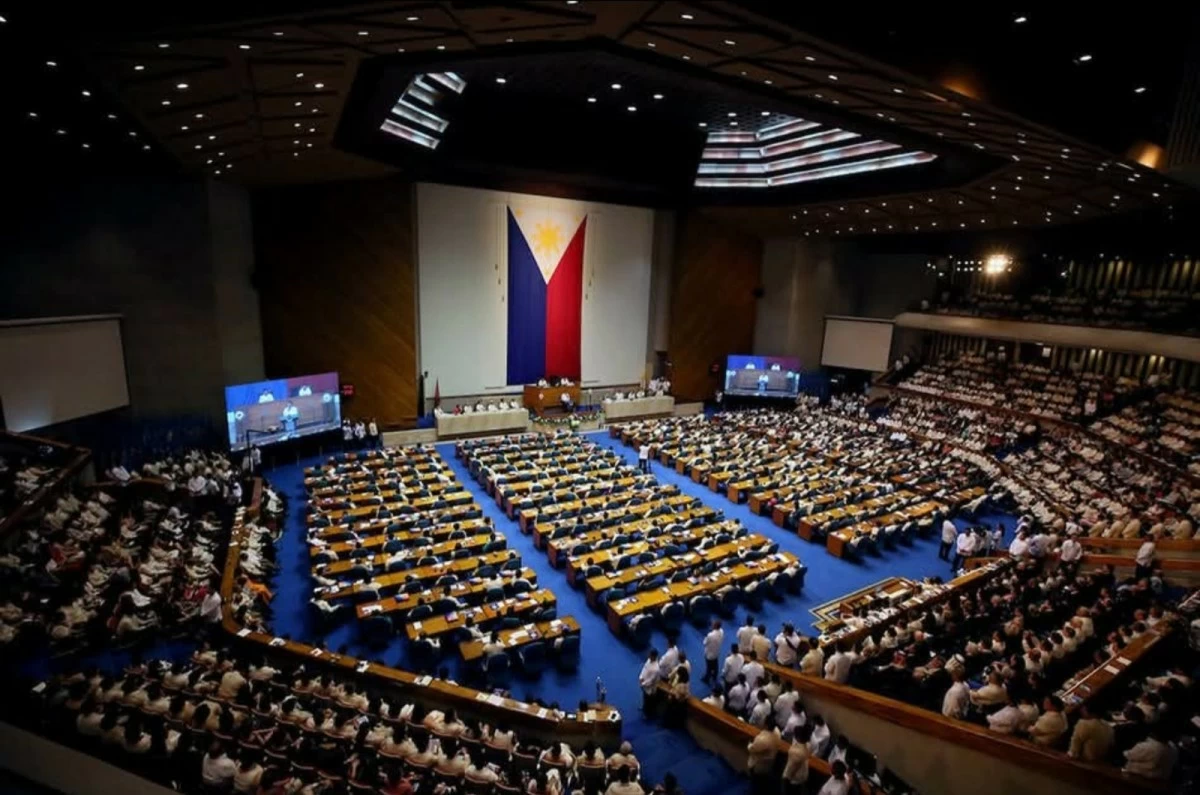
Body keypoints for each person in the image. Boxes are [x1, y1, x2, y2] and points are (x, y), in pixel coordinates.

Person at [639, 650, 661, 714]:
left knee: (649, 700)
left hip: (650, 688)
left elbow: (651, 681)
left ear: (654, 657)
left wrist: (643, 684)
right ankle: (644, 708)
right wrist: (641, 677)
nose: (649, 657)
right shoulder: (649, 660)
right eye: (649, 655)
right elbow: (644, 668)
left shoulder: (656, 669)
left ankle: (648, 713)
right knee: (644, 697)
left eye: (651, 656)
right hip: (644, 683)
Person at [703, 619, 724, 684]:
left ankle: (707, 679)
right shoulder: (721, 631)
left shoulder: (710, 635)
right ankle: (714, 676)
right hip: (717, 651)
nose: (712, 624)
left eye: (713, 624)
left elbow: (705, 643)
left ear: (715, 626)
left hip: (709, 653)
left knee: (709, 667)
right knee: (715, 664)